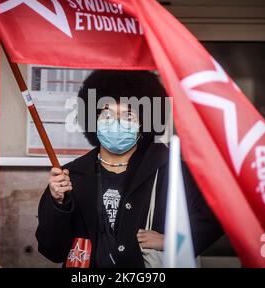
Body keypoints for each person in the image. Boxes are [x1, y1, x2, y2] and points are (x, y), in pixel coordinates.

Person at [36, 70, 223, 268]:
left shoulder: (171, 171)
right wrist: (58, 202)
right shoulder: (71, 175)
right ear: (93, 119)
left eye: (128, 116)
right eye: (107, 114)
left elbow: (217, 216)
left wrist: (171, 241)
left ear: (144, 123)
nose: (116, 123)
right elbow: (52, 249)